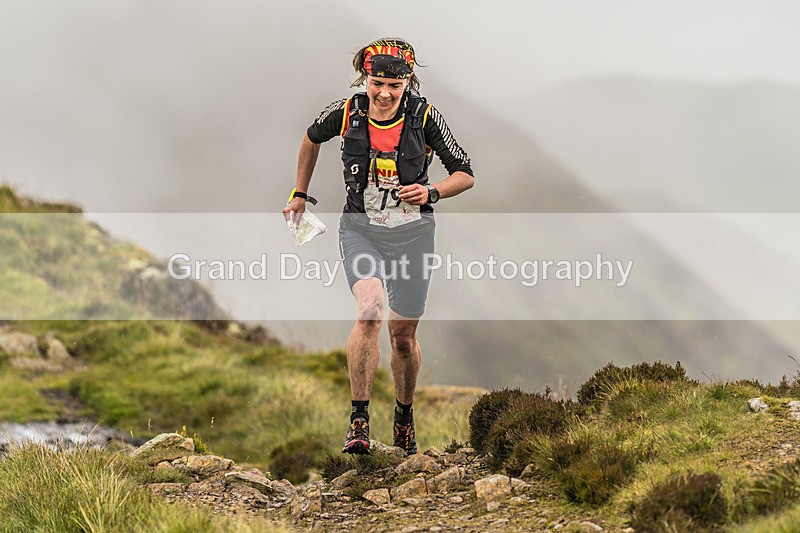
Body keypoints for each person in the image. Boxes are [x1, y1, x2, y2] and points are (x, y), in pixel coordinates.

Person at [283, 37, 474, 455]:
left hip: (413, 236)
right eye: (377, 83)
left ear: (408, 83)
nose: (384, 94)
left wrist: (432, 192)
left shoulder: (424, 117)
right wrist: (300, 193)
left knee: (402, 337)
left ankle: (404, 418)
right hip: (361, 230)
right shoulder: (347, 111)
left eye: (394, 86)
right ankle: (359, 422)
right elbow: (311, 139)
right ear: (365, 78)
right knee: (369, 310)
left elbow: (465, 173)